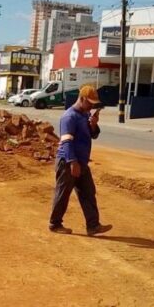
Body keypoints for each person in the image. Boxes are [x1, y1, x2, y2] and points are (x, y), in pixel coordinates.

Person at [48, 84, 113, 236]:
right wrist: (73, 163)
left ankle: (93, 226)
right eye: (89, 103)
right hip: (68, 161)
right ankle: (55, 223)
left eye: (93, 104)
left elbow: (93, 135)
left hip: (81, 162)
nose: (91, 106)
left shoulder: (84, 115)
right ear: (82, 99)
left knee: (88, 192)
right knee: (63, 193)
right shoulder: (69, 117)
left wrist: (93, 125)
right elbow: (67, 142)